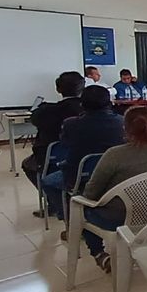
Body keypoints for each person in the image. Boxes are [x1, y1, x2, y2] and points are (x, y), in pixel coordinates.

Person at [79, 106, 147, 272]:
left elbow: (91, 193)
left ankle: (99, 254)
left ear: (124, 128)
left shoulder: (114, 155)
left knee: (79, 206)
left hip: (118, 217)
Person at [41, 85, 124, 221]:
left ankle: (70, 219)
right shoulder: (122, 121)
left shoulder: (71, 124)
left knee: (48, 182)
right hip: (115, 174)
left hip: (79, 177)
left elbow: (65, 145)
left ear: (82, 104)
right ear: (109, 103)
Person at [21, 71, 84, 196]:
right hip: (86, 158)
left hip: (52, 158)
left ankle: (52, 199)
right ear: (83, 87)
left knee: (28, 164)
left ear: (58, 89)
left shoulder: (47, 111)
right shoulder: (91, 110)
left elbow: (35, 119)